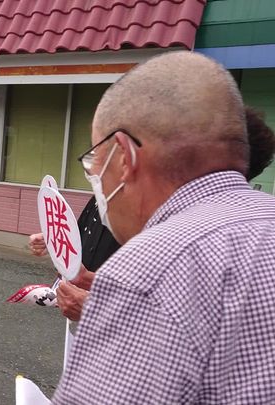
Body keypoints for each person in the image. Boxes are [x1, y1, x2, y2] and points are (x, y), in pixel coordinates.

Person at [52, 51, 275, 403]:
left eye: (95, 156)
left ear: (124, 156)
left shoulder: (151, 267)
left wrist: (132, 289)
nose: (94, 174)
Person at [30, 106, 275, 322]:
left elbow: (186, 330)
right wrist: (87, 279)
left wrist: (96, 310)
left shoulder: (204, 231)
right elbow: (154, 292)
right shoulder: (243, 213)